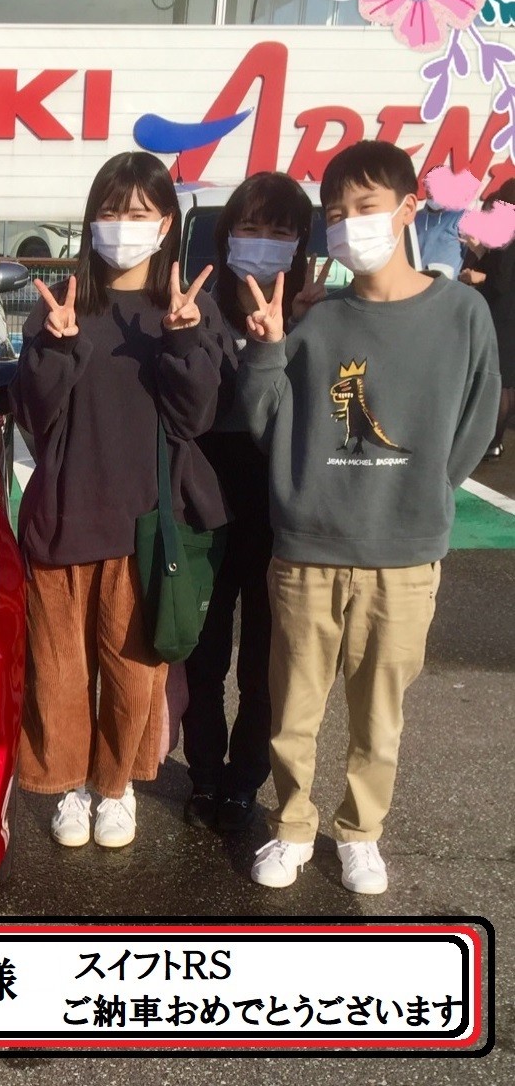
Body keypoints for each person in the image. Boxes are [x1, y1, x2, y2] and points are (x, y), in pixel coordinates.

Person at [237, 140, 501, 894]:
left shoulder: (463, 313)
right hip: (307, 552)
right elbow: (267, 423)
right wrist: (267, 349)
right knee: (293, 710)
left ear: (408, 208)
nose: (349, 224)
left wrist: (426, 491)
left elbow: (477, 419)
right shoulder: (317, 320)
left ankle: (360, 833)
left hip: (405, 559)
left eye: (365, 207)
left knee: (379, 716)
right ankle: (292, 824)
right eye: (336, 214)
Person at [10, 150, 231, 850]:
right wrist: (55, 348)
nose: (123, 226)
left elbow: (194, 418)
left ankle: (115, 786)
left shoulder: (184, 311)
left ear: (166, 225)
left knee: (134, 674)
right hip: (62, 517)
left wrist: (184, 339)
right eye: (110, 211)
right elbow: (34, 416)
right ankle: (68, 786)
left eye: (139, 213)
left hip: (145, 526)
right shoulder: (63, 307)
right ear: (90, 220)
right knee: (58, 675)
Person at [181, 174, 320, 834]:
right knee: (202, 657)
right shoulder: (197, 311)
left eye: (280, 231)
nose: (263, 242)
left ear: (301, 243)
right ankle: (205, 773)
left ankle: (244, 781)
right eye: (250, 228)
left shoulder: (314, 320)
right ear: (226, 236)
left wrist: (296, 332)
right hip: (204, 511)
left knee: (265, 664)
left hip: (279, 518)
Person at [459, 179, 515, 459]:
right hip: (509, 315)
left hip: (503, 316)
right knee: (508, 382)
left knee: (501, 383)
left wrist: (478, 278)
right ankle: (495, 441)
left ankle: (493, 441)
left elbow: (501, 282)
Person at [415, 198, 466, 279]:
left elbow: (474, 255)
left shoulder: (462, 217)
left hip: (447, 284)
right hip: (418, 281)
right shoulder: (415, 217)